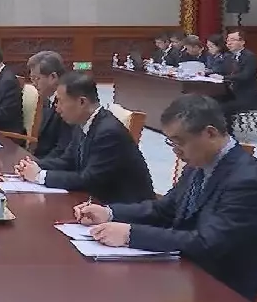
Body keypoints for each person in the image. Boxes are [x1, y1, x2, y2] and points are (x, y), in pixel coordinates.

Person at [74, 95, 257, 302]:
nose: (175, 151)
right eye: (171, 142)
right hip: (195, 274)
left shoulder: (246, 181)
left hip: (236, 293)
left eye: (180, 142)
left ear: (210, 133)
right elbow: (164, 209)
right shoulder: (199, 164)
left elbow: (208, 243)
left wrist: (130, 234)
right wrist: (109, 213)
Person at [15, 72, 153, 204]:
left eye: (61, 102)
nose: (58, 109)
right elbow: (67, 161)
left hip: (125, 209)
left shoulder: (108, 132)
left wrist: (39, 176)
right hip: (96, 200)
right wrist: (34, 166)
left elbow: (89, 179)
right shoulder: (83, 122)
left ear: (82, 102)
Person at [26, 50, 73, 162]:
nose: (34, 84)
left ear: (53, 77)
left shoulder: (68, 103)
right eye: (32, 79)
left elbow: (62, 149)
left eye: (37, 78)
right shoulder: (46, 98)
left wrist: (37, 165)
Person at [219, 29, 257, 133]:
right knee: (211, 102)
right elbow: (221, 71)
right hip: (234, 94)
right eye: (227, 40)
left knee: (224, 107)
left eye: (233, 40)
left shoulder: (250, 57)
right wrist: (207, 73)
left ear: (242, 42)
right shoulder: (229, 57)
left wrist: (224, 78)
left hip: (250, 97)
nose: (229, 43)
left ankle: (227, 134)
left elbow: (245, 76)